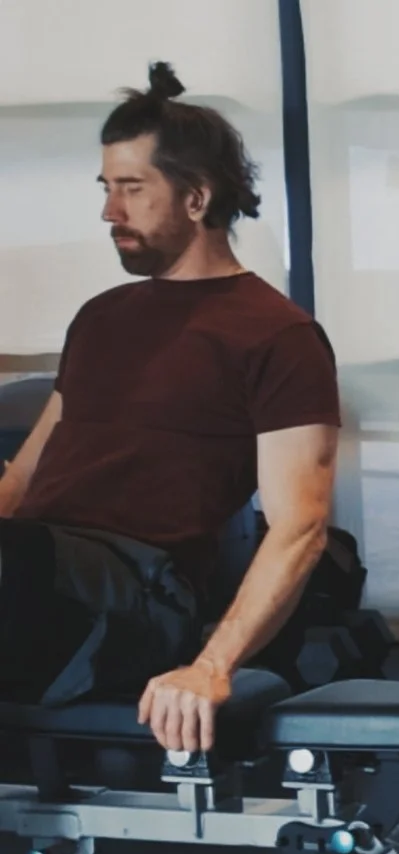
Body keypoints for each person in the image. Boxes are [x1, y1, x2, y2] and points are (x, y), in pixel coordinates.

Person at [0, 62, 340, 753]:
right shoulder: (100, 318)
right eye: (106, 188)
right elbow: (21, 484)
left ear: (196, 197)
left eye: (131, 189)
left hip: (134, 596)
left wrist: (211, 666)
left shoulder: (278, 336)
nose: (108, 211)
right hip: (34, 574)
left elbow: (300, 528)